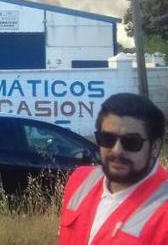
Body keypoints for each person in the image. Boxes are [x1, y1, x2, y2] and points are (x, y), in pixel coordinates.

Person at [59, 93, 168, 244]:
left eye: (131, 142)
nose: (117, 150)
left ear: (155, 147)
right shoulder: (80, 180)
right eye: (107, 139)